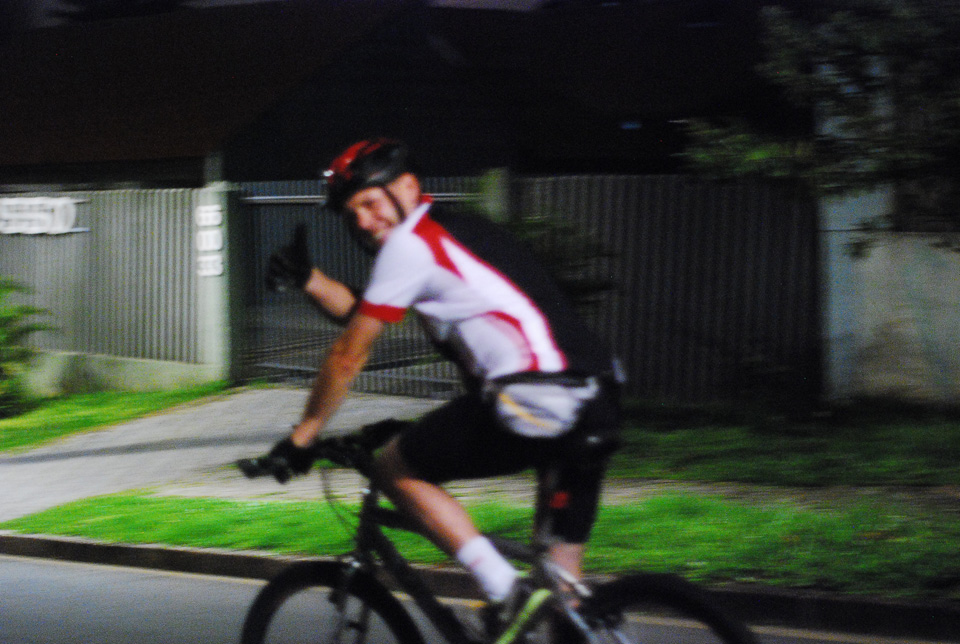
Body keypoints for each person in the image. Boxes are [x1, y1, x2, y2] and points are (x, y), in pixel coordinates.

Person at [261, 138, 621, 640]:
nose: (362, 220)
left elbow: (349, 353)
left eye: (369, 202)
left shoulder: (411, 245)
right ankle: (552, 612)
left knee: (394, 467)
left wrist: (303, 436)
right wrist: (310, 279)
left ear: (408, 187)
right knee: (560, 594)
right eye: (351, 213)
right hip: (595, 399)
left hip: (535, 399)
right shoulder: (454, 234)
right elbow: (366, 311)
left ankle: (502, 588)